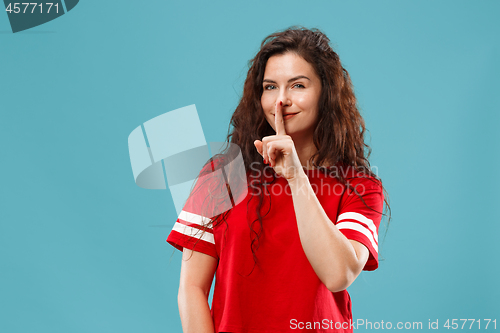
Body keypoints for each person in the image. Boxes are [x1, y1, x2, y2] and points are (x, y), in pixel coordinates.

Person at [166, 26, 390, 333]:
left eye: (298, 85)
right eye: (270, 87)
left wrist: (296, 176)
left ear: (326, 93)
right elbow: (191, 289)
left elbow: (339, 274)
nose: (280, 101)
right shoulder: (222, 175)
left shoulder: (360, 186)